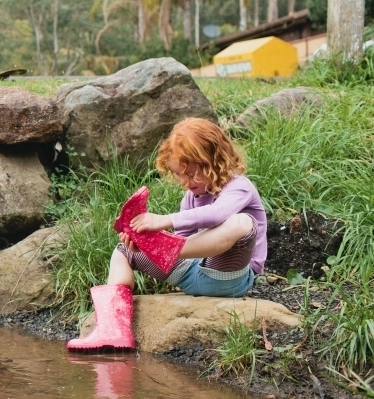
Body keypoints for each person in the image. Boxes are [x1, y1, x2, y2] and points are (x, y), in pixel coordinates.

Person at [67, 117, 267, 351]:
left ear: (214, 161)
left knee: (241, 222)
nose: (184, 181)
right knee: (122, 252)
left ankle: (166, 249)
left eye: (191, 174)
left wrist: (164, 221)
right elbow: (184, 240)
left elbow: (216, 214)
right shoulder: (191, 197)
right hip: (190, 273)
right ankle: (113, 330)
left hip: (229, 276)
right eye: (178, 175)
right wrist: (143, 247)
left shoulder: (239, 186)